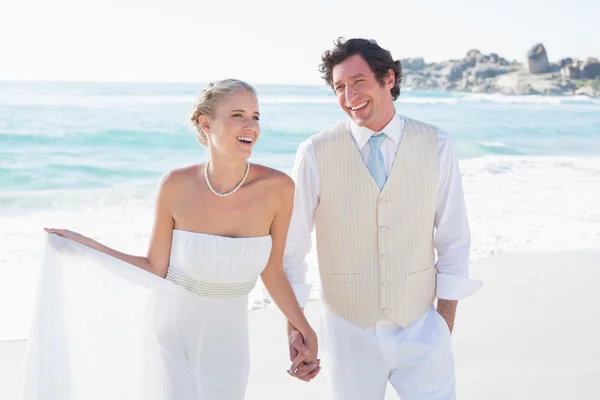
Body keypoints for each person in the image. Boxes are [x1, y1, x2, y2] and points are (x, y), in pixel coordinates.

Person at [20, 78, 319, 400]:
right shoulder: (175, 185)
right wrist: (87, 246)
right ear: (207, 124)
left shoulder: (278, 188)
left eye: (255, 116)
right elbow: (153, 267)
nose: (251, 126)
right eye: (238, 115)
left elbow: (272, 272)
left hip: (229, 342)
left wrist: (303, 327)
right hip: (171, 335)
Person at [283, 38, 483, 399]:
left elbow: (453, 237)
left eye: (358, 82)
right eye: (339, 87)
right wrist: (295, 327)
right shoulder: (314, 152)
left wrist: (443, 323)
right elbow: (292, 247)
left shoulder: (437, 143)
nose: (349, 96)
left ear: (388, 78)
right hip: (347, 330)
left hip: (421, 325)